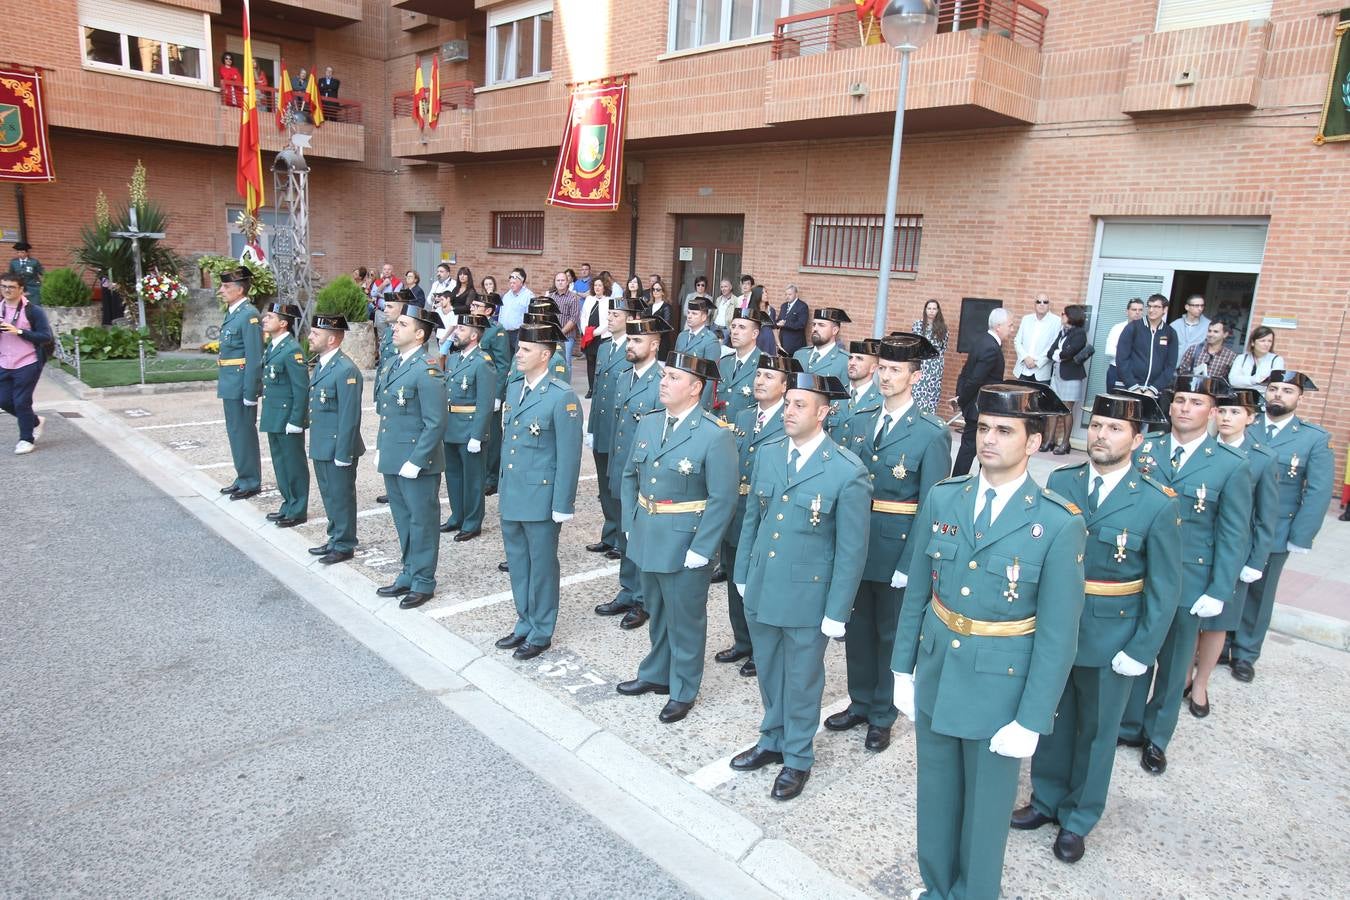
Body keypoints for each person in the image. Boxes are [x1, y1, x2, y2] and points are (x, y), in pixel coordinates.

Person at [892, 381, 1086, 900]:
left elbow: (1058, 633)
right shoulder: (944, 497)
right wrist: (901, 667)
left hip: (1000, 686)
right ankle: (936, 888)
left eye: (1005, 430)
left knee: (984, 811)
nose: (990, 439)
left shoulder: (1056, 522)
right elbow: (919, 589)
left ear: (1034, 443)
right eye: (983, 428)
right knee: (935, 796)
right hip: (938, 670)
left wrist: (1032, 718)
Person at [1012, 391, 1181, 864]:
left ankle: (1079, 817)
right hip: (1055, 630)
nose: (1103, 436)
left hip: (1113, 637)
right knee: (1053, 719)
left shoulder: (1155, 503)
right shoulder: (1062, 484)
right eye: (1098, 426)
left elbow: (1165, 588)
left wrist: (1143, 648)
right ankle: (1045, 800)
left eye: (1115, 429)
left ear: (1138, 438)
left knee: (1098, 731)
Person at [730, 371, 869, 800]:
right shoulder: (770, 454)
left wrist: (836, 612)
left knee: (803, 680)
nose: (788, 411)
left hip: (809, 597)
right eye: (787, 403)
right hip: (764, 585)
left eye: (799, 405)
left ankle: (797, 757)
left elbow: (851, 551)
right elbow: (752, 517)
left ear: (824, 413)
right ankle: (772, 738)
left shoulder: (847, 472)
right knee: (770, 671)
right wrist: (741, 572)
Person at [1119, 376, 1251, 775]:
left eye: (1195, 402)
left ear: (1211, 412)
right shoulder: (1147, 451)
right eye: (1179, 400)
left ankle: (1157, 737)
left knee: (1175, 663)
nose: (1184, 408)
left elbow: (1232, 534)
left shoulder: (1230, 465)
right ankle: (1128, 725)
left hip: (1188, 583)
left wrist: (1219, 588)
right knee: (1134, 650)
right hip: (1139, 574)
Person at [825, 334, 949, 754]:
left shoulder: (930, 433)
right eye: (882, 368)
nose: (886, 376)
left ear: (915, 377)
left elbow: (933, 507)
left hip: (897, 550)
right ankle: (860, 701)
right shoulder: (860, 420)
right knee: (856, 629)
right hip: (857, 546)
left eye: (896, 370)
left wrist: (911, 562)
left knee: (890, 635)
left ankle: (883, 713)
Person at [617, 351, 737, 723]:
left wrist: (703, 548)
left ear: (696, 388)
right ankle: (656, 673)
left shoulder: (714, 435)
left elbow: (723, 497)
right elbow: (629, 478)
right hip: (649, 535)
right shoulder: (651, 423)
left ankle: (683, 687)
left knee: (685, 619)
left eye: (672, 377)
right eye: (664, 376)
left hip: (686, 542)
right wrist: (630, 523)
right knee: (656, 610)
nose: (663, 382)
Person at [1231, 370, 1333, 681]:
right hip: (1236, 525)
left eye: (1286, 391)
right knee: (1230, 585)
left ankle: (1246, 653)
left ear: (1299, 398)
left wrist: (1301, 536)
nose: (1277, 395)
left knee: (1260, 593)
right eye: (1273, 389)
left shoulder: (1313, 438)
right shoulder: (1246, 426)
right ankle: (1220, 643)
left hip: (1277, 529)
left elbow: (1317, 491)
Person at [1185, 388, 1277, 715]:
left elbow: (1266, 518)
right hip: (1198, 547)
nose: (1227, 417)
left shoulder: (1262, 458)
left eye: (1236, 412)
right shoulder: (1200, 449)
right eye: (1222, 411)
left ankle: (1200, 684)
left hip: (1233, 554)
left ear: (1251, 418)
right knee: (1190, 621)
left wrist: (1256, 560)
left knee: (1216, 624)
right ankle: (1183, 675)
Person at [495, 322, 584, 660]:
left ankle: (542, 629)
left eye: (526, 349)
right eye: (519, 348)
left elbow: (569, 454)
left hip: (542, 498)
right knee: (518, 563)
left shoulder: (561, 396)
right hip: (514, 492)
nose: (518, 353)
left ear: (545, 355)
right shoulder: (515, 386)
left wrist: (563, 503)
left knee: (542, 565)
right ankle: (524, 621)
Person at [715, 351, 796, 678]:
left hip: (768, 514)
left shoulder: (789, 420)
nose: (760, 381)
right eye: (759, 375)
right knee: (736, 578)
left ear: (785, 385)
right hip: (738, 512)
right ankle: (743, 641)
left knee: (763, 583)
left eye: (769, 377)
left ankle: (765, 649)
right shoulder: (743, 415)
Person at [373, 306, 448, 610]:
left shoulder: (427, 368)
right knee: (403, 519)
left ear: (419, 333)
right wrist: (382, 447)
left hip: (417, 461)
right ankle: (408, 572)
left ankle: (424, 580)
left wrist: (417, 460)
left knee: (422, 522)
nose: (395, 327)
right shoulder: (392, 363)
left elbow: (436, 421)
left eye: (402, 324)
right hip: (394, 456)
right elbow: (387, 414)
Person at [599, 316, 668, 629]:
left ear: (654, 345)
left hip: (644, 474)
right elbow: (618, 427)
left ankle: (643, 600)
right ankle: (628, 590)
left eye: (637, 341)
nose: (630, 345)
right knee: (626, 535)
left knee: (641, 538)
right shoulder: (624, 376)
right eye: (629, 340)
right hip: (622, 469)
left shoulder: (662, 381)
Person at [586, 297, 641, 568]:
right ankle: (609, 534)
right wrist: (591, 427)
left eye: (616, 314)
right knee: (604, 486)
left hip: (621, 430)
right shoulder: (606, 346)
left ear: (630, 319)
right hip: (602, 425)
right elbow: (597, 392)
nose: (609, 318)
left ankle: (622, 538)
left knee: (620, 486)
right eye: (610, 313)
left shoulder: (632, 350)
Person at [305, 314, 363, 565]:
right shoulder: (323, 364)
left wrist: (343, 453)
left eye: (315, 334)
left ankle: (344, 543)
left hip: (338, 446)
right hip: (322, 444)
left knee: (341, 496)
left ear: (331, 339)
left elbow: (349, 416)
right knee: (330, 496)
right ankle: (334, 537)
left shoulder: (345, 370)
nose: (309, 337)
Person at [440, 313, 497, 542]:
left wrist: (478, 434)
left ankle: (473, 522)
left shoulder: (483, 362)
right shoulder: (454, 359)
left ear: (474, 335)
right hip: (451, 426)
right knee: (453, 475)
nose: (456, 332)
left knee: (473, 479)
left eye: (461, 330)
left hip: (470, 429)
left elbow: (485, 402)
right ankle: (457, 516)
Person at [258, 303, 310, 527]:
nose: (264, 320)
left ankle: (298, 509)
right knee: (280, 463)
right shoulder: (272, 347)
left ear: (283, 323)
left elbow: (301, 388)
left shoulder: (292, 350)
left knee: (294, 464)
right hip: (273, 416)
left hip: (288, 417)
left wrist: (297, 420)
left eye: (270, 317)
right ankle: (288, 502)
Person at [215, 267, 264, 499]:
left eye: (225, 286)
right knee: (235, 432)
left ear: (240, 289)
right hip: (230, 382)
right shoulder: (234, 312)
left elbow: (254, 357)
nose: (221, 290)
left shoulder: (248, 314)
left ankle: (251, 481)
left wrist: (251, 390)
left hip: (241, 384)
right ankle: (242, 475)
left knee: (244, 432)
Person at [951, 307, 1012, 476]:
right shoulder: (991, 347)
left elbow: (965, 373)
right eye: (1010, 325)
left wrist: (961, 396)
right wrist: (962, 399)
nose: (1011, 329)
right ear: (999, 326)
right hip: (980, 407)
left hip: (975, 405)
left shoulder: (982, 340)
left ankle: (977, 478)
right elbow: (975, 379)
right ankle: (957, 480)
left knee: (976, 447)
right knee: (973, 447)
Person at [0, 273, 51, 455]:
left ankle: (26, 439)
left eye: (11, 287)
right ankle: (35, 421)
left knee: (21, 401)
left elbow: (46, 336)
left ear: (21, 289)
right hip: (4, 362)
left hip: (28, 361)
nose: (7, 290)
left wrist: (19, 331)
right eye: (4, 286)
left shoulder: (33, 311)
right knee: (4, 401)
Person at [474, 293, 510, 497]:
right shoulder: (472, 327)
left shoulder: (496, 331)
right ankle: (480, 472)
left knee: (493, 435)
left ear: (488, 311)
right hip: (473, 390)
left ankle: (492, 477)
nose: (472, 308)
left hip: (489, 390)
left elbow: (503, 364)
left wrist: (498, 395)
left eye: (477, 305)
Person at [1045, 304, 1092, 455]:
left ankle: (1065, 443)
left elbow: (1068, 353)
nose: (1062, 316)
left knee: (1066, 410)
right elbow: (1050, 352)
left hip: (1070, 376)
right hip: (1057, 374)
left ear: (1071, 317)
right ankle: (1050, 440)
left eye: (1064, 314)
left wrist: (1059, 354)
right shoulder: (1062, 332)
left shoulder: (1079, 334)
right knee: (1053, 408)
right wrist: (1059, 354)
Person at [1115, 294, 1177, 394]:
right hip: (1128, 387)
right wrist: (1132, 385)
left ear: (1165, 309)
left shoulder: (1170, 333)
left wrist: (1154, 389)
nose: (1151, 310)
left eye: (1156, 307)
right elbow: (1121, 358)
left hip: (1154, 391)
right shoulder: (1133, 327)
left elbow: (1170, 365)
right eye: (1149, 306)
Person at [717, 308, 768, 424]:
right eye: (733, 326)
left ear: (754, 334)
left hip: (745, 434)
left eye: (742, 327)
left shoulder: (765, 365)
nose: (734, 332)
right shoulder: (724, 362)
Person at [831, 339, 882, 443]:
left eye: (859, 359)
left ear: (873, 368)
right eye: (850, 358)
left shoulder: (881, 401)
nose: (852, 363)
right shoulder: (835, 394)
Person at [675, 297, 721, 409]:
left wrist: (702, 403)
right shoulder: (682, 336)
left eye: (694, 314)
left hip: (696, 393)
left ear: (704, 317)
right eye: (689, 313)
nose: (689, 316)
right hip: (679, 391)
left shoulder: (710, 340)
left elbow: (711, 377)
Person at [1012, 294, 1061, 383]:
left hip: (1042, 373)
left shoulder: (1057, 321)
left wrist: (1037, 363)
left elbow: (1054, 346)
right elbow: (1017, 341)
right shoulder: (1026, 319)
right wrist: (1025, 357)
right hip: (1023, 370)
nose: (1041, 304)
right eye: (1039, 302)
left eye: (1045, 302)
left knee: (1039, 397)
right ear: (1034, 304)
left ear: (1049, 305)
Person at [793, 307, 850, 384]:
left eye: (821, 325)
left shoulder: (845, 361)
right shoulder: (799, 355)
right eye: (814, 324)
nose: (815, 329)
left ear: (834, 330)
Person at [911, 299, 948, 414]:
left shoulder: (943, 328)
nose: (931, 311)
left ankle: (928, 416)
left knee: (932, 393)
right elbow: (914, 344)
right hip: (921, 363)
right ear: (925, 310)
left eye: (934, 309)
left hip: (935, 365)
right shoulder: (918, 325)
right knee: (917, 390)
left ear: (938, 311)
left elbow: (943, 347)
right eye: (929, 308)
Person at [1227, 325, 1284, 395]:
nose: (1266, 344)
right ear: (1253, 342)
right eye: (1262, 341)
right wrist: (1255, 380)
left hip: (1264, 399)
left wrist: (1243, 380)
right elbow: (1233, 381)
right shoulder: (1241, 358)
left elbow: (1274, 384)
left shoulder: (1276, 360)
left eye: (1270, 341)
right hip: (1241, 397)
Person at [578, 279, 612, 396]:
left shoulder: (609, 301)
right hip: (588, 336)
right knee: (590, 362)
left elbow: (608, 321)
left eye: (600, 285)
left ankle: (600, 389)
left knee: (601, 363)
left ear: (604, 287)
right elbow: (583, 316)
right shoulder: (589, 299)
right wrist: (585, 330)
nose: (597, 287)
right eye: (595, 285)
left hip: (602, 336)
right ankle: (591, 389)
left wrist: (594, 333)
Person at [1103, 298, 1143, 390]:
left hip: (1137, 373)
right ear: (1127, 311)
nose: (1137, 312)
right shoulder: (1117, 328)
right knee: (1113, 400)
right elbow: (1109, 350)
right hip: (1117, 370)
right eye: (1134, 309)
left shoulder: (1147, 331)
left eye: (1140, 310)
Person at [547, 271, 583, 366]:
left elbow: (574, 318)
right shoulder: (551, 297)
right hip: (553, 337)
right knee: (552, 362)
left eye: (562, 280)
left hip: (567, 337)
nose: (560, 282)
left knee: (565, 363)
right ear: (555, 282)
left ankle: (565, 381)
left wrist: (561, 333)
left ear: (567, 282)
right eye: (558, 280)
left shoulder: (573, 298)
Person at [499, 267, 533, 356]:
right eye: (510, 282)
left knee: (518, 359)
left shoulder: (528, 296)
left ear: (521, 282)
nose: (511, 284)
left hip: (518, 334)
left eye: (514, 282)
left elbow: (530, 318)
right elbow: (501, 314)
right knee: (506, 358)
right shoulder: (507, 295)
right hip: (505, 333)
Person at [776, 284, 809, 355]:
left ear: (796, 294)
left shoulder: (802, 306)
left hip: (795, 344)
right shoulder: (784, 306)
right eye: (786, 294)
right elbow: (779, 319)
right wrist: (777, 324)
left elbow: (801, 324)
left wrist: (785, 324)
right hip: (782, 343)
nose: (787, 296)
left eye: (790, 294)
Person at [647, 281, 676, 359]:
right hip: (648, 340)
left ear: (663, 292)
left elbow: (666, 325)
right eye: (653, 289)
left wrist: (655, 335)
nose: (655, 291)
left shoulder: (666, 307)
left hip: (662, 341)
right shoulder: (649, 306)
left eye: (658, 289)